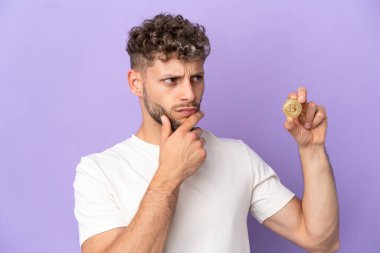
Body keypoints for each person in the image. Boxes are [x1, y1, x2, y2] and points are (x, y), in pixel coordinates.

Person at [73, 13, 339, 253]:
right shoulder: (99, 171)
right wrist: (169, 176)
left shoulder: (237, 156)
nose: (189, 94)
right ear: (136, 83)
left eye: (196, 78)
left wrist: (312, 149)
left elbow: (321, 240)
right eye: (171, 80)